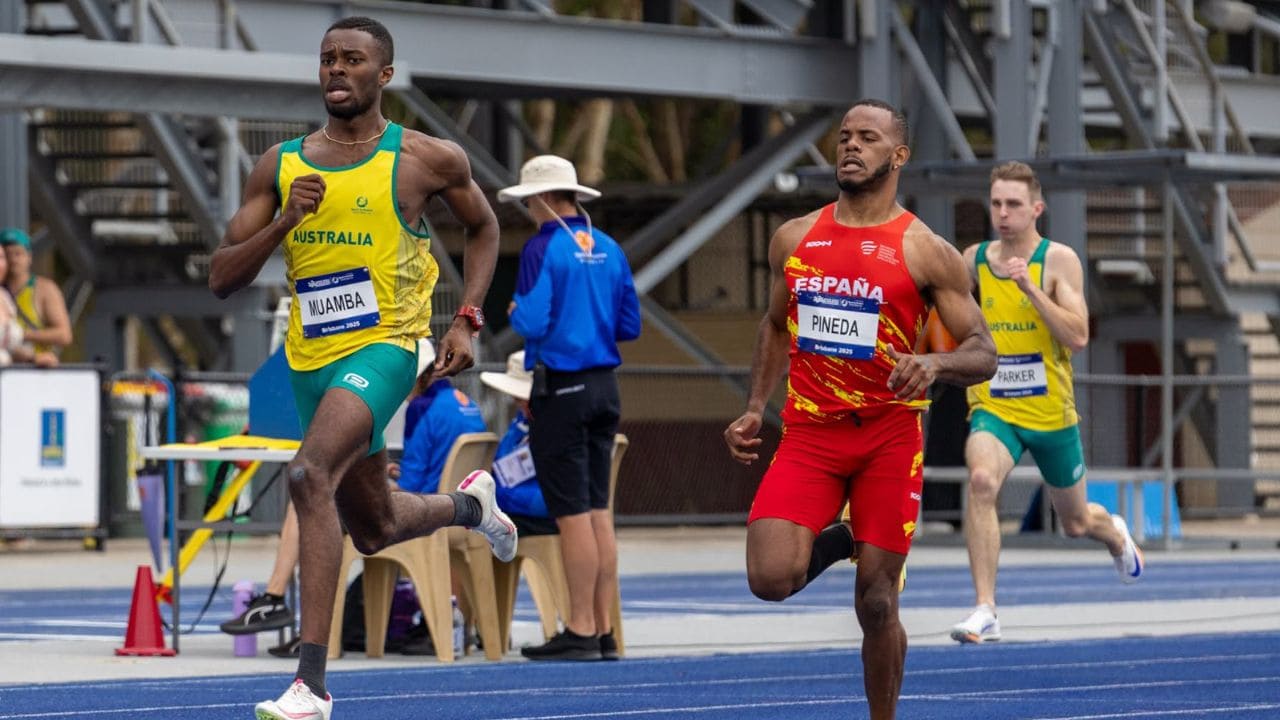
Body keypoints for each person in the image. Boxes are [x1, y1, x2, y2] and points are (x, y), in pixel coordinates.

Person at [208, 16, 515, 720]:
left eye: (352, 60)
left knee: (308, 475)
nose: (335, 71)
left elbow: (486, 225)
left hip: (388, 346)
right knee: (373, 528)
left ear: (384, 75)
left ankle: (310, 685)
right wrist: (284, 222)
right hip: (310, 360)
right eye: (326, 60)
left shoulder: (424, 158)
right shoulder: (280, 165)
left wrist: (467, 317)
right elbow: (221, 277)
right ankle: (473, 506)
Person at [722, 99, 997, 720]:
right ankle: (846, 536)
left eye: (867, 138)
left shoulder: (927, 251)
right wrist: (754, 405)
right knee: (769, 579)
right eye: (843, 136)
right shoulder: (795, 237)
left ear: (898, 156)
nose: (850, 146)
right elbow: (774, 325)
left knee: (876, 602)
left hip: (888, 437)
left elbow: (985, 352)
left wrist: (934, 364)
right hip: (811, 435)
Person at [950, 161, 1144, 645]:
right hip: (995, 408)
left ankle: (1115, 534)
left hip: (1051, 412)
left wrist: (1030, 288)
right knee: (980, 481)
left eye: (1013, 204)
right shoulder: (973, 259)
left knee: (1076, 523)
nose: (1003, 213)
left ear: (1036, 208)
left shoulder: (1058, 260)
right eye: (996, 203)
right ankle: (985, 608)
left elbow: (1077, 336)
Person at [498, 155, 641, 661]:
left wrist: (518, 309)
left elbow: (532, 323)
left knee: (573, 515)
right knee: (599, 512)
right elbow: (629, 325)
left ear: (539, 199)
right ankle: (602, 629)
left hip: (561, 388)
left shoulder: (543, 247)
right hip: (606, 387)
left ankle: (579, 626)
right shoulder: (609, 247)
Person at [480, 350, 558, 536]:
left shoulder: (552, 427)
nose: (516, 402)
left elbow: (552, 498)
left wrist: (494, 497)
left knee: (476, 526)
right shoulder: (524, 421)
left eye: (519, 397)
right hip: (529, 507)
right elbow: (501, 462)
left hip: (545, 515)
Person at [0, 228, 72, 359]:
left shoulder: (44, 289)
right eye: (7, 255)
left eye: (18, 254)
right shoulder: (2, 292)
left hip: (37, 369)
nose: (13, 260)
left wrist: (21, 335)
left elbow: (64, 335)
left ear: (29, 257)